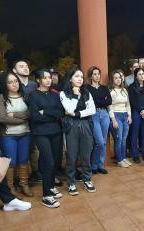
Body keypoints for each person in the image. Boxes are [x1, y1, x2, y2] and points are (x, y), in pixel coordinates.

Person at [28, 69, 64, 208]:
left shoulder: (54, 94)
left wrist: (46, 112)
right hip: (41, 133)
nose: (48, 80)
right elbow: (35, 117)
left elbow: (61, 112)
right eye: (44, 78)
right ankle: (46, 196)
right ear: (38, 80)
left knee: (56, 161)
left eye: (49, 77)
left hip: (56, 131)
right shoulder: (33, 96)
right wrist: (52, 114)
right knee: (48, 162)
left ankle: (50, 186)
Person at [0, 71, 33, 198]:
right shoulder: (0, 98)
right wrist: (22, 119)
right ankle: (11, 188)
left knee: (23, 161)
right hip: (8, 136)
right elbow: (2, 118)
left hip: (25, 133)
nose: (14, 84)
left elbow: (30, 113)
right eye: (10, 82)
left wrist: (14, 115)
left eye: (16, 81)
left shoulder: (25, 96)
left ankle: (24, 185)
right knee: (11, 163)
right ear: (5, 84)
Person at [60, 67, 96, 195]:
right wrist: (75, 95)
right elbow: (69, 108)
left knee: (86, 155)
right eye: (76, 76)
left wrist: (77, 113)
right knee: (72, 156)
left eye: (81, 76)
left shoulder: (86, 92)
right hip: (71, 126)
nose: (80, 79)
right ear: (70, 78)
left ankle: (87, 179)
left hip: (86, 124)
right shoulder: (64, 93)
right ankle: (71, 182)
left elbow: (92, 110)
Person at [12, 60, 41, 182]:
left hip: (34, 122)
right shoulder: (12, 86)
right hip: (16, 124)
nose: (25, 68)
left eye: (26, 66)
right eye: (21, 66)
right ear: (14, 70)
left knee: (33, 148)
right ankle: (16, 178)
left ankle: (35, 172)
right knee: (18, 150)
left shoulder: (35, 86)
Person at [87, 66, 112, 174]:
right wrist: (102, 100)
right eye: (94, 74)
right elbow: (90, 102)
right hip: (94, 115)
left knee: (104, 143)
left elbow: (109, 101)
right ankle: (93, 166)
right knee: (99, 142)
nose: (97, 76)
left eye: (98, 74)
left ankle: (100, 166)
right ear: (90, 76)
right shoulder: (87, 88)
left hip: (104, 114)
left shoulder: (104, 88)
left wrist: (97, 100)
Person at [107, 70, 132, 168]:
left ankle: (124, 158)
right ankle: (120, 159)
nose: (118, 79)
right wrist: (113, 120)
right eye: (116, 78)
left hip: (125, 115)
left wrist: (129, 116)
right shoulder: (110, 91)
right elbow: (109, 107)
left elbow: (128, 104)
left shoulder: (124, 90)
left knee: (124, 140)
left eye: (119, 78)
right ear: (112, 79)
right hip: (116, 116)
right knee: (118, 139)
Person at [128, 68, 144, 163]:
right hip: (136, 111)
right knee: (135, 133)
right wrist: (141, 110)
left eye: (143, 74)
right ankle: (135, 154)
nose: (142, 75)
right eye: (140, 74)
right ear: (136, 76)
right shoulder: (132, 87)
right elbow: (132, 101)